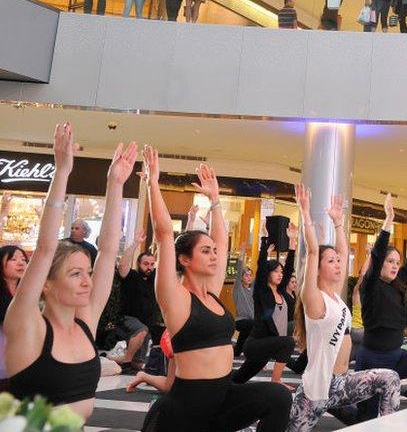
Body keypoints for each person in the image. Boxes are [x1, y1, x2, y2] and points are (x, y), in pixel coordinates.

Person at [140, 147, 291, 430]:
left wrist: (216, 201)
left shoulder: (211, 291)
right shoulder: (175, 297)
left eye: (212, 252)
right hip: (189, 405)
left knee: (278, 397)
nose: (213, 255)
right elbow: (162, 234)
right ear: (184, 259)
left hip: (224, 393)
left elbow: (222, 244)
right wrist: (152, 183)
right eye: (204, 251)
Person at [6, 125, 136, 420]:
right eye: (75, 273)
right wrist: (62, 172)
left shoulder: (85, 322)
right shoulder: (28, 325)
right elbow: (45, 247)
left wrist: (115, 185)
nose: (87, 281)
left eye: (87, 272)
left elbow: (107, 250)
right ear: (47, 284)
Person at [288, 184, 400, 431]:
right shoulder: (313, 297)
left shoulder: (336, 296)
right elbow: (314, 250)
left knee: (390, 379)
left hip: (341, 384)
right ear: (317, 269)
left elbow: (343, 250)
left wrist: (339, 223)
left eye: (339, 261)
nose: (338, 264)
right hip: (315, 391)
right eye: (331, 261)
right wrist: (305, 213)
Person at [355, 195, 407, 418]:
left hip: (396, 358)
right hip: (372, 362)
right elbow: (376, 252)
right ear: (379, 263)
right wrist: (388, 220)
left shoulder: (398, 284)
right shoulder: (370, 285)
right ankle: (336, 405)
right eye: (389, 261)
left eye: (396, 262)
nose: (395, 265)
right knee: (365, 418)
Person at [232, 224, 296, 388]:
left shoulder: (281, 292)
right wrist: (264, 240)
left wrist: (292, 241)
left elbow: (288, 269)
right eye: (276, 271)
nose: (280, 275)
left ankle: (217, 382)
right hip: (255, 344)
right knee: (288, 342)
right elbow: (261, 268)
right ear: (268, 274)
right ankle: (276, 381)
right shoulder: (262, 292)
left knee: (238, 378)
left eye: (281, 273)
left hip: (267, 345)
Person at [112, 230, 155, 371]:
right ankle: (126, 360)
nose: (149, 267)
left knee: (138, 364)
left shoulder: (154, 280)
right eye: (146, 264)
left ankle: (112, 360)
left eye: (152, 264)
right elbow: (123, 265)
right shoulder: (132, 276)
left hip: (145, 325)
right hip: (127, 319)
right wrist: (136, 243)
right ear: (138, 264)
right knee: (141, 330)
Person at [0, 244, 28, 391]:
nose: (20, 262)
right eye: (13, 259)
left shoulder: (27, 292)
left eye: (23, 259)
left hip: (21, 362)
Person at [232, 241, 255, 358]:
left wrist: (266, 253)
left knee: (245, 334)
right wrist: (241, 253)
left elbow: (261, 274)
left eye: (250, 275)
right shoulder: (238, 288)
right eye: (246, 275)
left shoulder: (253, 289)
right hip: (240, 321)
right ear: (241, 277)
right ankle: (252, 353)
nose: (249, 277)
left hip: (251, 322)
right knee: (254, 326)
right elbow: (239, 269)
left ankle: (236, 351)